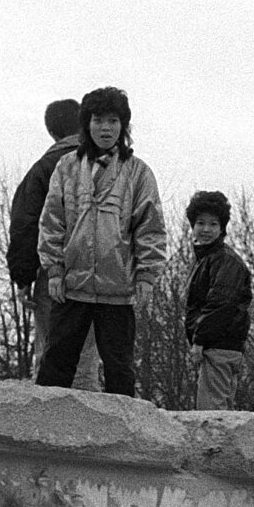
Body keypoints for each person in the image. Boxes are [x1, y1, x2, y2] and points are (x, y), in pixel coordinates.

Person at [35, 87, 167, 397]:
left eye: (113, 121)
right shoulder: (67, 167)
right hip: (73, 286)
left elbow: (151, 228)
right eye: (98, 120)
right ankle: (41, 433)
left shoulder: (138, 173)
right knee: (55, 364)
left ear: (123, 126)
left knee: (119, 369)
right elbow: (52, 219)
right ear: (86, 124)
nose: (105, 129)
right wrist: (53, 269)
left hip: (118, 290)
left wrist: (146, 276)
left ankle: (124, 439)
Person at [8, 98, 101, 391]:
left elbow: (25, 223)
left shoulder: (42, 169)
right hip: (100, 273)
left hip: (54, 272)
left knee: (50, 355)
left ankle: (49, 427)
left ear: (51, 131)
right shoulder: (108, 164)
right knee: (86, 360)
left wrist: (23, 276)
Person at [183, 190, 252, 410]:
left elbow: (221, 304)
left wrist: (200, 339)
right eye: (200, 223)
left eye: (213, 224)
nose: (205, 229)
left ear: (222, 228)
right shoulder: (209, 259)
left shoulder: (225, 261)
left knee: (211, 415)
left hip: (219, 348)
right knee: (220, 410)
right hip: (219, 347)